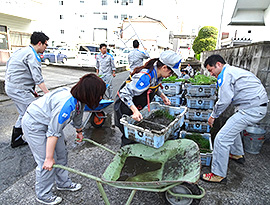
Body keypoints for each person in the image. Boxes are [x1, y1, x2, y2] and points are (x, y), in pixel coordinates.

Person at [22, 74, 106, 204]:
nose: (100, 98)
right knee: (47, 161)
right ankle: (43, 194)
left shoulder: (79, 99)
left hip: (50, 123)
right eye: (99, 94)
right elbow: (53, 133)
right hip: (35, 124)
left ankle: (63, 183)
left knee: (62, 154)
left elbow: (78, 114)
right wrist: (49, 158)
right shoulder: (66, 106)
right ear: (90, 93)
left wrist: (79, 131)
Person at [200, 54, 268, 183]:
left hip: (251, 109)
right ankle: (237, 154)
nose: (211, 74)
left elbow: (224, 100)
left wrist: (213, 116)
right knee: (231, 126)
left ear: (218, 65)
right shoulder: (233, 71)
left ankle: (218, 174)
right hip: (254, 107)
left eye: (211, 70)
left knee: (221, 139)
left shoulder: (226, 75)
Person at [114, 50, 182, 146]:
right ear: (164, 67)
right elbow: (124, 94)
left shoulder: (158, 75)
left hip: (136, 106)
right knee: (129, 135)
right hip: (124, 106)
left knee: (136, 134)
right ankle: (125, 157)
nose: (170, 75)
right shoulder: (144, 77)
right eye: (171, 73)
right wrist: (135, 111)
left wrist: (163, 96)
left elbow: (154, 86)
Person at [5, 31, 50, 148]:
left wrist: (31, 90)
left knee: (23, 112)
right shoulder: (32, 55)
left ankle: (16, 139)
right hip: (19, 89)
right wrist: (48, 94)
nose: (46, 47)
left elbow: (11, 66)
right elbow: (38, 78)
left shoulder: (21, 51)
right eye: (46, 44)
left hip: (12, 87)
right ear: (39, 43)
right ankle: (40, 140)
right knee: (35, 111)